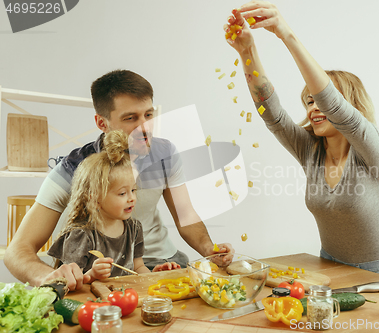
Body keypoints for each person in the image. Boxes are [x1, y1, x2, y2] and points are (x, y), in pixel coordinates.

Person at [225, 1, 379, 281]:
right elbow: (270, 112)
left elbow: (332, 104)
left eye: (320, 100)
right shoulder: (310, 151)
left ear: (349, 107)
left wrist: (285, 34)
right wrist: (247, 51)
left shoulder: (373, 148)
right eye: (309, 102)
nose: (314, 107)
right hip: (329, 268)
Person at [5, 70, 234, 290]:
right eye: (130, 118)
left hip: (163, 263)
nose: (144, 127)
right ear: (102, 123)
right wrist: (49, 276)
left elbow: (186, 217)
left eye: (149, 115)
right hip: (106, 273)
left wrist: (209, 250)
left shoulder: (165, 153)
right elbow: (17, 252)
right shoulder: (75, 167)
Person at [48, 130, 180, 280]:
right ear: (96, 199)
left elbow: (138, 268)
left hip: (124, 298)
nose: (131, 198)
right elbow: (71, 281)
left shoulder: (134, 228)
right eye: (122, 193)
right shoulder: (81, 236)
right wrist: (92, 275)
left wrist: (154, 274)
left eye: (133, 190)